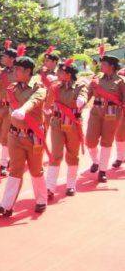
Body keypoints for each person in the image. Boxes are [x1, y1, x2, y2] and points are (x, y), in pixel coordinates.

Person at [0, 52, 49, 216]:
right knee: (15, 169)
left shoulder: (39, 88)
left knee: (35, 169)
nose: (14, 72)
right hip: (15, 134)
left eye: (18, 69)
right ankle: (7, 205)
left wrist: (22, 110)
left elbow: (34, 101)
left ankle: (41, 200)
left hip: (33, 135)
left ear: (27, 71)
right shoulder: (12, 88)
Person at [45, 58, 88, 197]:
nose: (57, 73)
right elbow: (48, 102)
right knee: (55, 155)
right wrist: (47, 108)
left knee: (72, 155)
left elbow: (82, 99)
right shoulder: (56, 87)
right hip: (57, 122)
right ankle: (50, 188)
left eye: (60, 72)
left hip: (73, 123)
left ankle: (70, 185)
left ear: (69, 74)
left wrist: (78, 101)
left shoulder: (80, 86)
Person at [85, 48, 125, 183]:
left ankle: (102, 170)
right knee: (90, 141)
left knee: (106, 142)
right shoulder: (96, 80)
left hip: (112, 114)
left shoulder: (120, 81)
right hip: (96, 111)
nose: (101, 66)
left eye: (104, 64)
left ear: (111, 66)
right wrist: (79, 104)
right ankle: (96, 161)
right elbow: (87, 95)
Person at [0, 40, 18, 176]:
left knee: (5, 136)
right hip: (0, 107)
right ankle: (8, 159)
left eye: (5, 57)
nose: (2, 59)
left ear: (12, 59)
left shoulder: (18, 72)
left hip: (11, 108)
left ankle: (3, 164)